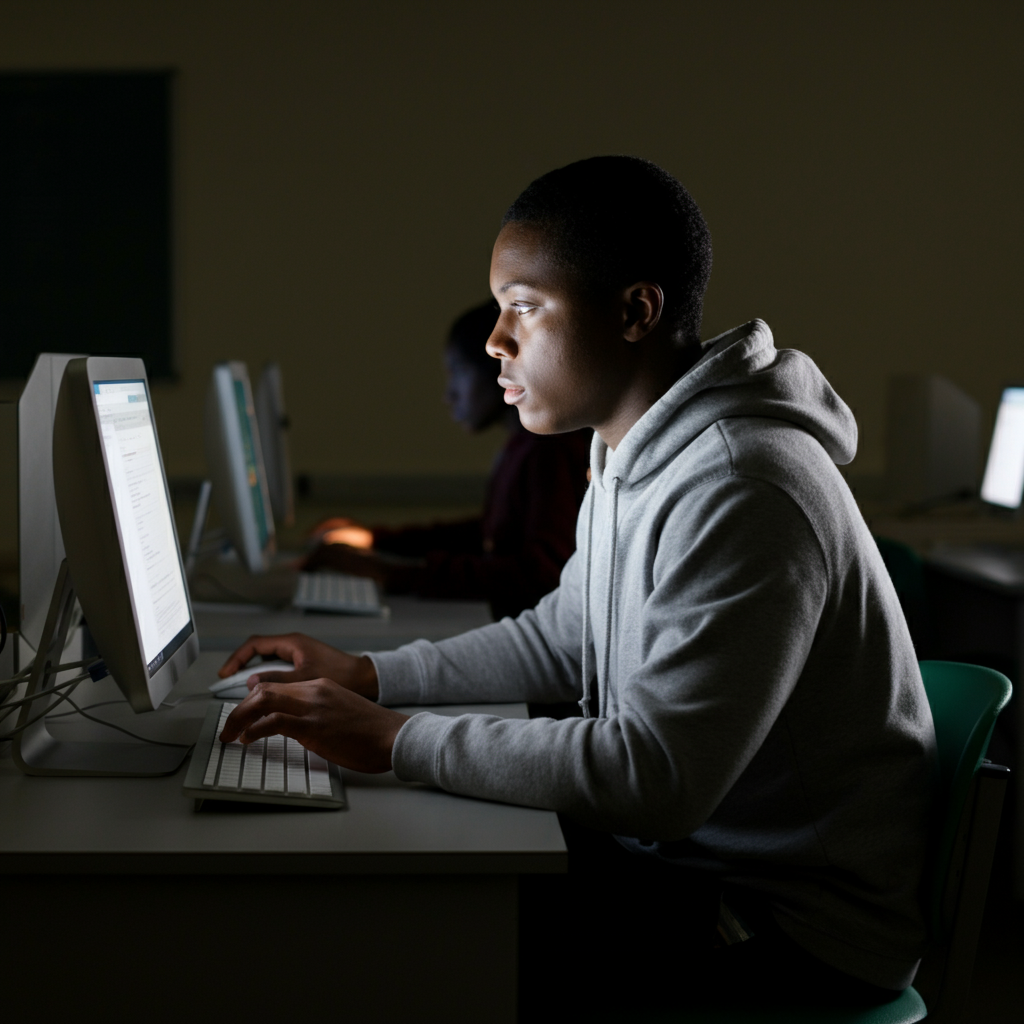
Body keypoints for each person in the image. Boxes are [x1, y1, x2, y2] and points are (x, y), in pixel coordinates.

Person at [217, 157, 935, 1014]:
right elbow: (558, 637)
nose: (494, 341)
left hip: (790, 929)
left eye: (523, 307)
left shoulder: (744, 482)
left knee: (409, 934)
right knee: (413, 886)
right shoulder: (632, 452)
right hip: (702, 869)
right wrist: (369, 678)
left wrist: (392, 740)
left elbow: (657, 776)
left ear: (635, 311)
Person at [305, 301, 591, 621]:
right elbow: (490, 536)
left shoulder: (548, 449)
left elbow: (541, 570)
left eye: (458, 371)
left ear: (498, 364)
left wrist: (396, 575)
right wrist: (377, 540)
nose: (449, 394)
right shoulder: (524, 445)